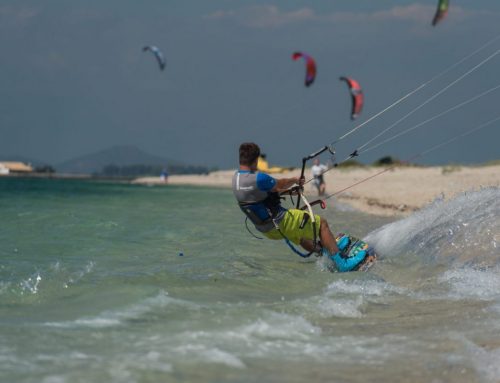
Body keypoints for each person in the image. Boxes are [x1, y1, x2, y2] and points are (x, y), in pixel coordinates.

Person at [232, 142, 373, 272]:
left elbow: (261, 195)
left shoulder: (236, 179)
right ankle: (342, 264)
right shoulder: (257, 178)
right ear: (256, 159)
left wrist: (289, 191)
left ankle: (323, 252)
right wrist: (294, 180)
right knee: (321, 224)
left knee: (300, 235)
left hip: (266, 230)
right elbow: (280, 184)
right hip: (280, 222)